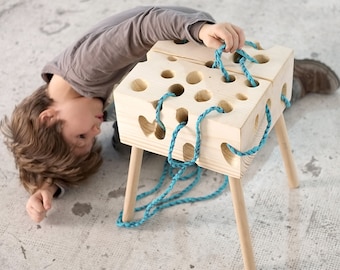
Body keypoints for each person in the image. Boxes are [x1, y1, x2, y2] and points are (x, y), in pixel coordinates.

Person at [1, 6, 339, 223]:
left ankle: (294, 82)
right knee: (125, 143)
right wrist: (47, 185)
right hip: (148, 71)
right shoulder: (66, 94)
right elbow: (36, 149)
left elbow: (145, 24)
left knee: (222, 121)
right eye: (89, 140)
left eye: (81, 136)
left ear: (48, 117)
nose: (95, 130)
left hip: (182, 38)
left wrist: (199, 29)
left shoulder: (87, 67)